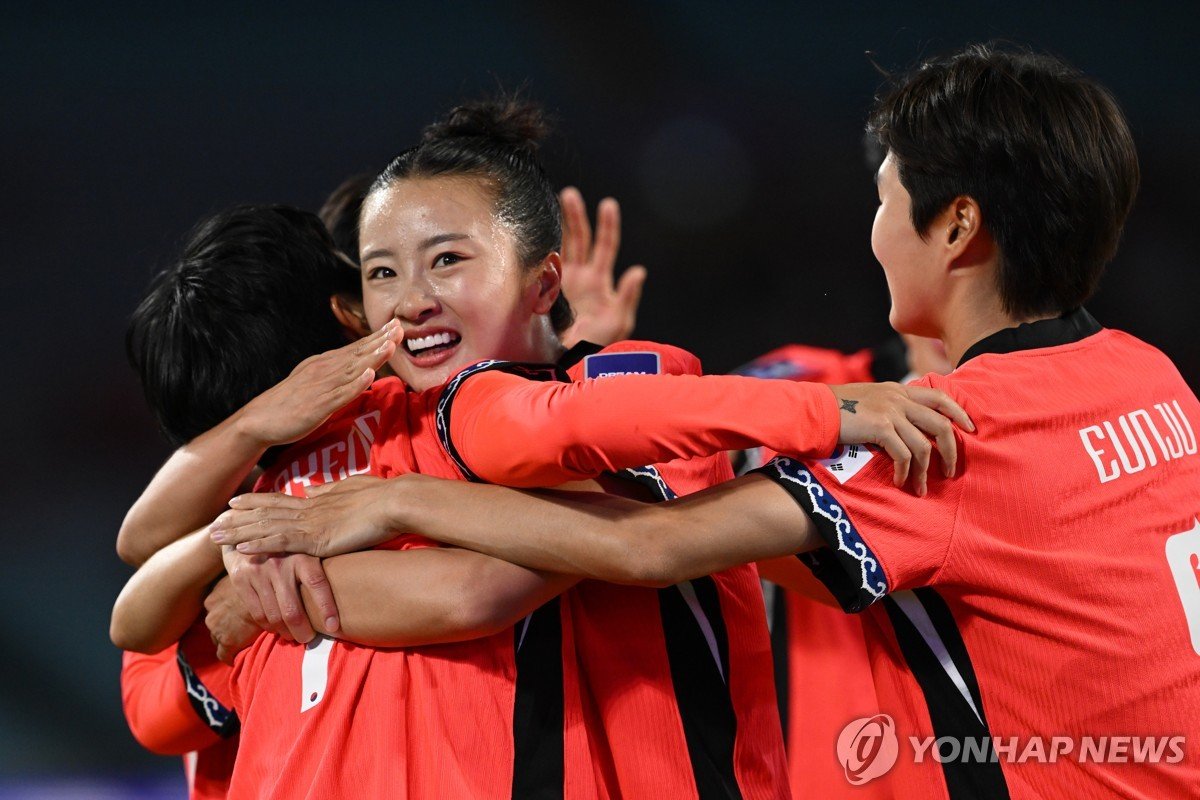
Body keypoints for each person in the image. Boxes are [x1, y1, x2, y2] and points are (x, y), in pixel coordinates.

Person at [219, 45, 1200, 799]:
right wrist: (600, 392)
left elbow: (650, 546)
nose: (871, 233)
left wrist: (390, 500)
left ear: (956, 226)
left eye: (884, 200)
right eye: (384, 270)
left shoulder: (952, 435)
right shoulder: (1151, 379)